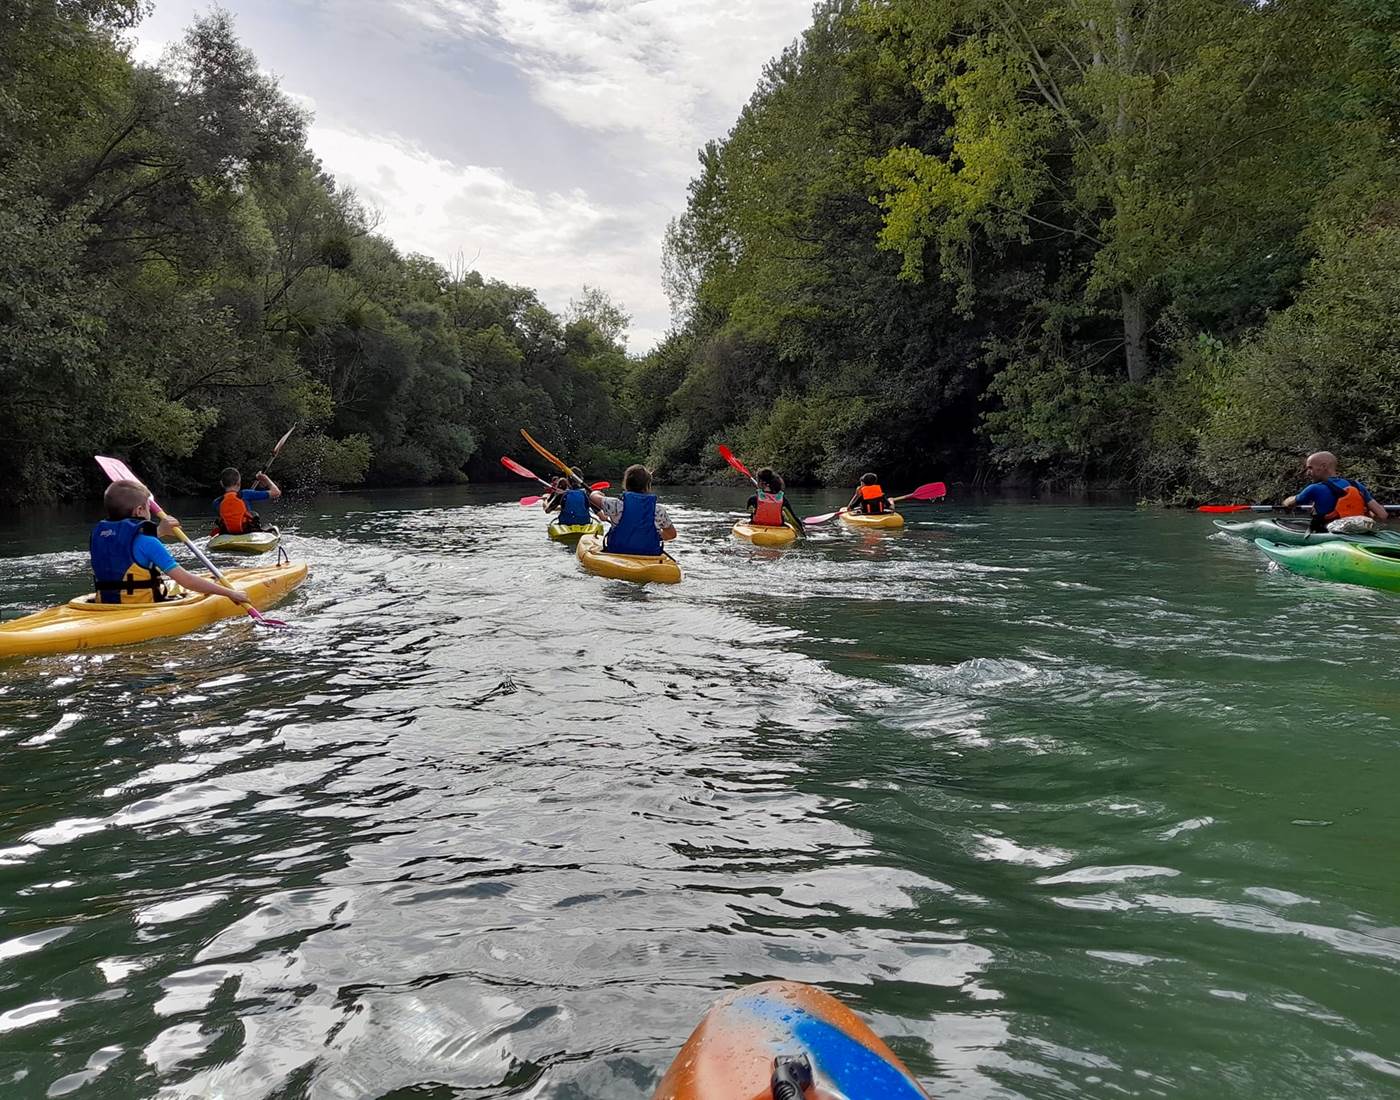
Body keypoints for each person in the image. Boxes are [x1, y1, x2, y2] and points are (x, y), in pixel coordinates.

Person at [92, 480, 251, 606]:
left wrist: (160, 531)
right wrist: (230, 593)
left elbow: (128, 551)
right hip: (139, 608)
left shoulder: (100, 536)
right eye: (148, 508)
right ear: (139, 511)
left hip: (103, 605)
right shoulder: (149, 542)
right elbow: (186, 581)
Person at [1282, 451, 1388, 532]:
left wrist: (1286, 501)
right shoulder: (1356, 485)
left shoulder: (1314, 488)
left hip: (1328, 535)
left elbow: (1290, 504)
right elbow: (1382, 515)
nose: (1308, 473)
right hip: (1358, 533)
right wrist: (1363, 511)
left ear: (1323, 466)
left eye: (1310, 468)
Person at [588, 465, 677, 555]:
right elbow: (671, 534)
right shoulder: (659, 511)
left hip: (617, 551)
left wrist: (597, 492)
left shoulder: (615, 504)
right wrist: (654, 536)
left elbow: (592, 497)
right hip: (649, 554)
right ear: (648, 486)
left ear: (626, 484)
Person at [213, 467, 281, 535]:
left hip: (227, 533)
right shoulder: (246, 494)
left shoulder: (217, 502)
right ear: (239, 483)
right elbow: (276, 492)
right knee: (255, 516)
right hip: (248, 531)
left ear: (221, 483)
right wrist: (264, 478)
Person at [746, 468, 805, 534]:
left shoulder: (753, 499)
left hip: (756, 527)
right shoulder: (782, 499)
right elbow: (793, 519)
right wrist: (802, 532)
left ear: (761, 483)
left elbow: (749, 511)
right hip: (778, 527)